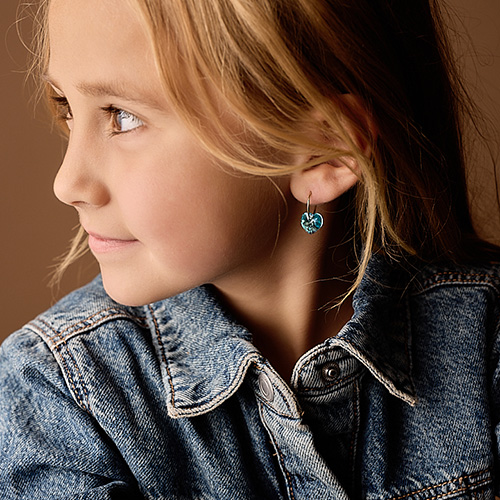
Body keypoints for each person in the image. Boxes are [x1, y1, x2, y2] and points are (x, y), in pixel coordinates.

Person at [1, 0, 499, 497]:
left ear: (324, 150)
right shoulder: (56, 395)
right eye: (66, 107)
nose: (67, 183)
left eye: (123, 117)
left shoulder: (486, 339)